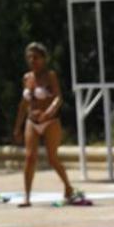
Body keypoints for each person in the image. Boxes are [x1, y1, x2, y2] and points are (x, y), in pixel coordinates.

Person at [12, 42, 74, 207]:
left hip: (50, 121)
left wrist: (49, 112)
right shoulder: (27, 78)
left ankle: (68, 186)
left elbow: (58, 97)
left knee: (52, 158)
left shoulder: (50, 76)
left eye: (36, 57)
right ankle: (27, 196)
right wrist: (17, 126)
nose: (33, 60)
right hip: (32, 121)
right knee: (29, 157)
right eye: (30, 57)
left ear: (44, 59)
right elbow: (24, 104)